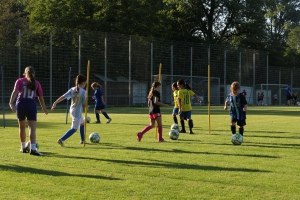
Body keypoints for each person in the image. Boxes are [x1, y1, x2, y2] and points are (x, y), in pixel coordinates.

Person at [9, 66, 48, 156]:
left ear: (24, 73)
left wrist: (11, 103)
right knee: (32, 129)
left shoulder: (19, 81)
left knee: (22, 127)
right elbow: (40, 97)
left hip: (20, 105)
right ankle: (33, 149)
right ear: (34, 74)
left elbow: (14, 92)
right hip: (31, 106)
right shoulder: (36, 83)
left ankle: (23, 147)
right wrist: (44, 108)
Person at [51, 75, 87, 146]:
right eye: (85, 83)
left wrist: (55, 102)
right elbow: (84, 105)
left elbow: (63, 97)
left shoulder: (72, 89)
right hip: (77, 112)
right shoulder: (83, 92)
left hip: (72, 110)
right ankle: (61, 139)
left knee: (82, 123)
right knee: (74, 129)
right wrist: (86, 107)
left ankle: (83, 140)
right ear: (83, 83)